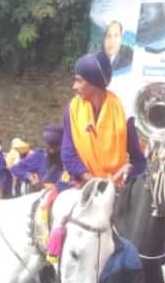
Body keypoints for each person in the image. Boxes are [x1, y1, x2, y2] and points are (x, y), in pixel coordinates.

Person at [61, 52, 146, 187]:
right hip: (81, 185)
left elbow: (138, 160)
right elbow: (68, 153)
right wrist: (94, 182)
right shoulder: (71, 110)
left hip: (116, 190)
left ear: (93, 83)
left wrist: (127, 175)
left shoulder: (123, 111)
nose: (74, 86)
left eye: (79, 80)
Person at [11, 125, 69, 192]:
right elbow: (16, 168)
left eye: (54, 144)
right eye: (49, 143)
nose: (51, 147)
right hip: (43, 195)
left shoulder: (69, 159)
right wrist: (30, 178)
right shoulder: (40, 156)